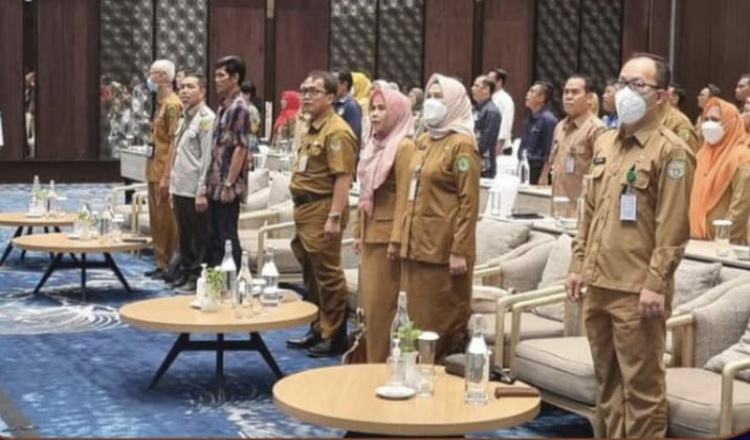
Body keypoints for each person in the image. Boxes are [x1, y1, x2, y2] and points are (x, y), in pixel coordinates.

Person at [567, 53, 695, 438]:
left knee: (641, 391)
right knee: (606, 385)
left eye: (638, 85)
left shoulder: (671, 150)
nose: (626, 92)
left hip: (637, 291)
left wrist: (656, 283)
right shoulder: (606, 142)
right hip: (598, 284)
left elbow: (673, 226)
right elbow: (588, 212)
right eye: (622, 83)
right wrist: (577, 264)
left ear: (662, 96)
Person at [397, 74, 480, 362]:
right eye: (430, 96)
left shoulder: (462, 145)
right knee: (413, 322)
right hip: (416, 245)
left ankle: (437, 376)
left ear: (454, 103)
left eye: (439, 98)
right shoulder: (423, 140)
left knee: (439, 324)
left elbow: (469, 202)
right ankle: (414, 371)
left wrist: (459, 249)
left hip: (444, 252)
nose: (432, 102)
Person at [285, 71, 357, 357]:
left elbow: (343, 177)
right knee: (311, 273)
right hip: (305, 209)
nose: (306, 96)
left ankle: (334, 334)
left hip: (322, 208)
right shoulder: (311, 127)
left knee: (327, 275)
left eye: (313, 91)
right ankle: (318, 326)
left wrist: (334, 217)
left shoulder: (336, 131)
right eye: (303, 90)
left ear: (330, 97)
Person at [353, 86, 415, 362]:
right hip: (370, 234)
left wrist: (397, 238)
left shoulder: (404, 146)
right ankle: (371, 361)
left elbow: (405, 196)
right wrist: (358, 231)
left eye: (382, 109)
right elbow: (364, 193)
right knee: (368, 308)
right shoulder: (374, 143)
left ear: (397, 113)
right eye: (373, 109)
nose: (375, 114)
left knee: (381, 309)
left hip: (387, 239)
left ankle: (378, 365)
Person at [200, 56, 253, 269]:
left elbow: (240, 148)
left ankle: (232, 280)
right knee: (214, 236)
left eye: (221, 75)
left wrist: (229, 183)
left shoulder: (239, 108)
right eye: (216, 75)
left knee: (227, 237)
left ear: (235, 78)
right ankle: (215, 280)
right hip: (215, 181)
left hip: (226, 184)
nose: (216, 80)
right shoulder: (224, 106)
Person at [166, 72, 215, 293]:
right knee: (185, 235)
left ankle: (197, 277)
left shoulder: (206, 119)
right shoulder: (184, 118)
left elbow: (207, 158)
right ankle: (185, 271)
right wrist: (172, 186)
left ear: (202, 91)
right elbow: (179, 154)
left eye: (190, 87)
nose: (184, 91)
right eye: (182, 87)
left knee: (198, 237)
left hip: (195, 187)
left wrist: (202, 190)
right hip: (181, 186)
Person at [541, 75, 606, 214]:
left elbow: (602, 177)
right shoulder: (560, 127)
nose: (568, 97)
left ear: (589, 98)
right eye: (566, 92)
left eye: (575, 92)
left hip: (581, 213)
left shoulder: (596, 129)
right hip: (557, 210)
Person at [689, 97, 750, 244]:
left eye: (715, 120)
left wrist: (723, 239)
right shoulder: (701, 155)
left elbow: (740, 207)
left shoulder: (742, 158)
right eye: (706, 119)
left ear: (731, 123)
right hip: (694, 240)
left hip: (723, 245)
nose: (709, 124)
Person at [145, 59, 182, 280]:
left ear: (163, 77)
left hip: (163, 170)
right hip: (153, 166)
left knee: (166, 219)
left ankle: (169, 263)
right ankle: (159, 261)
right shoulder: (160, 104)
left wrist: (167, 174)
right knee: (156, 219)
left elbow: (174, 142)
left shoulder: (173, 105)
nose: (149, 77)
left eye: (153, 73)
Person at [520, 81, 557, 184]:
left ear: (541, 98)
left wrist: (544, 175)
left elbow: (549, 151)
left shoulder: (548, 120)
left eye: (532, 92)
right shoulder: (529, 119)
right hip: (525, 165)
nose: (527, 94)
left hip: (538, 169)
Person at [471, 75, 502, 178]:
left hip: (484, 163)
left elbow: (486, 140)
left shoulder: (492, 111)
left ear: (486, 90)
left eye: (476, 86)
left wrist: (473, 153)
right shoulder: (475, 109)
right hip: (472, 158)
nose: (472, 88)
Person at [661, 84, 700, 153]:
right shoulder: (660, 117)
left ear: (675, 99)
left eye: (666, 95)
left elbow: (688, 150)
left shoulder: (682, 122)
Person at [486, 68, 515, 157]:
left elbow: (506, 122)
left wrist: (500, 144)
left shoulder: (505, 100)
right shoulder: (489, 97)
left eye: (490, 80)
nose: (487, 82)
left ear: (499, 82)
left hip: (501, 147)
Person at [331, 68, 363, 141]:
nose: (330, 87)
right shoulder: (332, 103)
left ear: (344, 85)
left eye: (333, 83)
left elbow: (354, 133)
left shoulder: (352, 106)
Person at [241, 82, 263, 150]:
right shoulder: (241, 107)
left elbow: (254, 129)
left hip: (250, 141)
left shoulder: (252, 110)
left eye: (243, 93)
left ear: (249, 95)